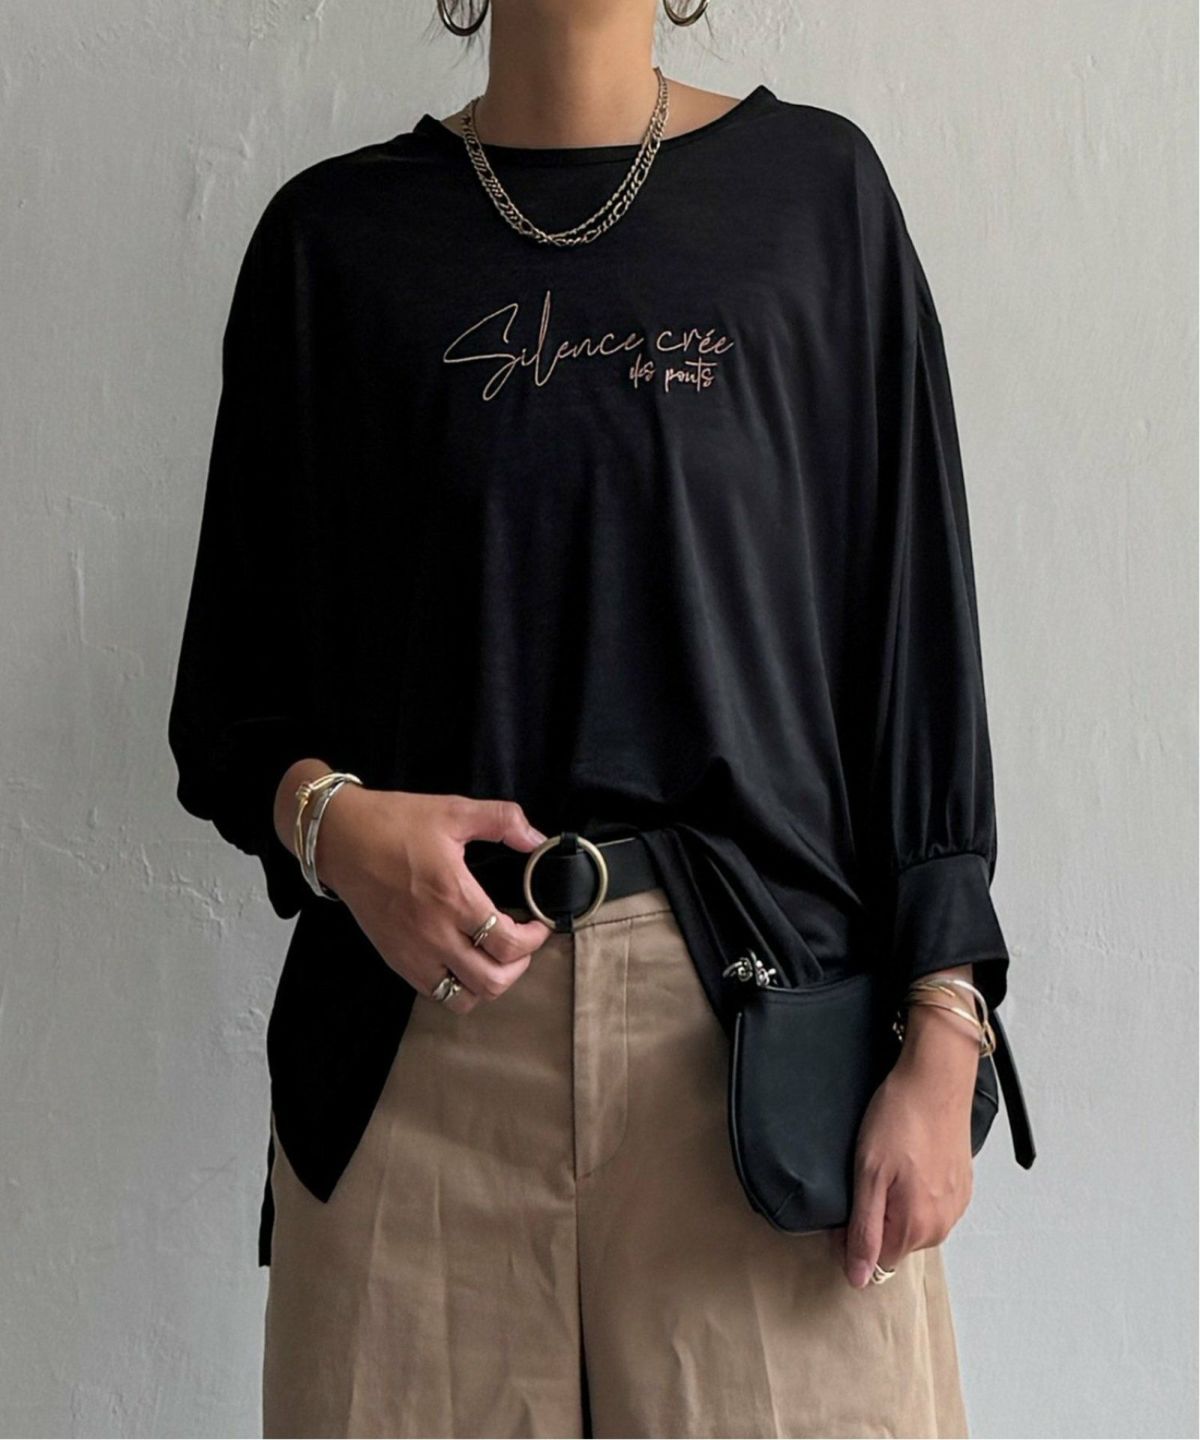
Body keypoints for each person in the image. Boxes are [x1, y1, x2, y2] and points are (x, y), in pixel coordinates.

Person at [167, 1, 1022, 1435]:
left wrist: (948, 1020)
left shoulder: (816, 202)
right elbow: (231, 704)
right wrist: (337, 827)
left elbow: (914, 635)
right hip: (417, 1060)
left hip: (761, 1058)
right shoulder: (334, 243)